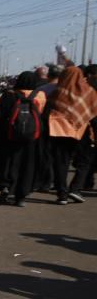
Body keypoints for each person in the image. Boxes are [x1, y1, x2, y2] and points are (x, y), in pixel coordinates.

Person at [0, 72, 46, 206]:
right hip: (32, 139)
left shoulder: (9, 95)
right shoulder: (41, 96)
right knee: (27, 166)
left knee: (7, 163)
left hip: (9, 138)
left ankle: (6, 187)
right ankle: (21, 197)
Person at [48, 65, 97, 204]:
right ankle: (75, 188)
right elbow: (94, 114)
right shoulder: (89, 92)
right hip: (81, 132)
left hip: (58, 132)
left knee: (60, 163)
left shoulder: (57, 92)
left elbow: (47, 112)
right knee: (85, 161)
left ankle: (62, 194)